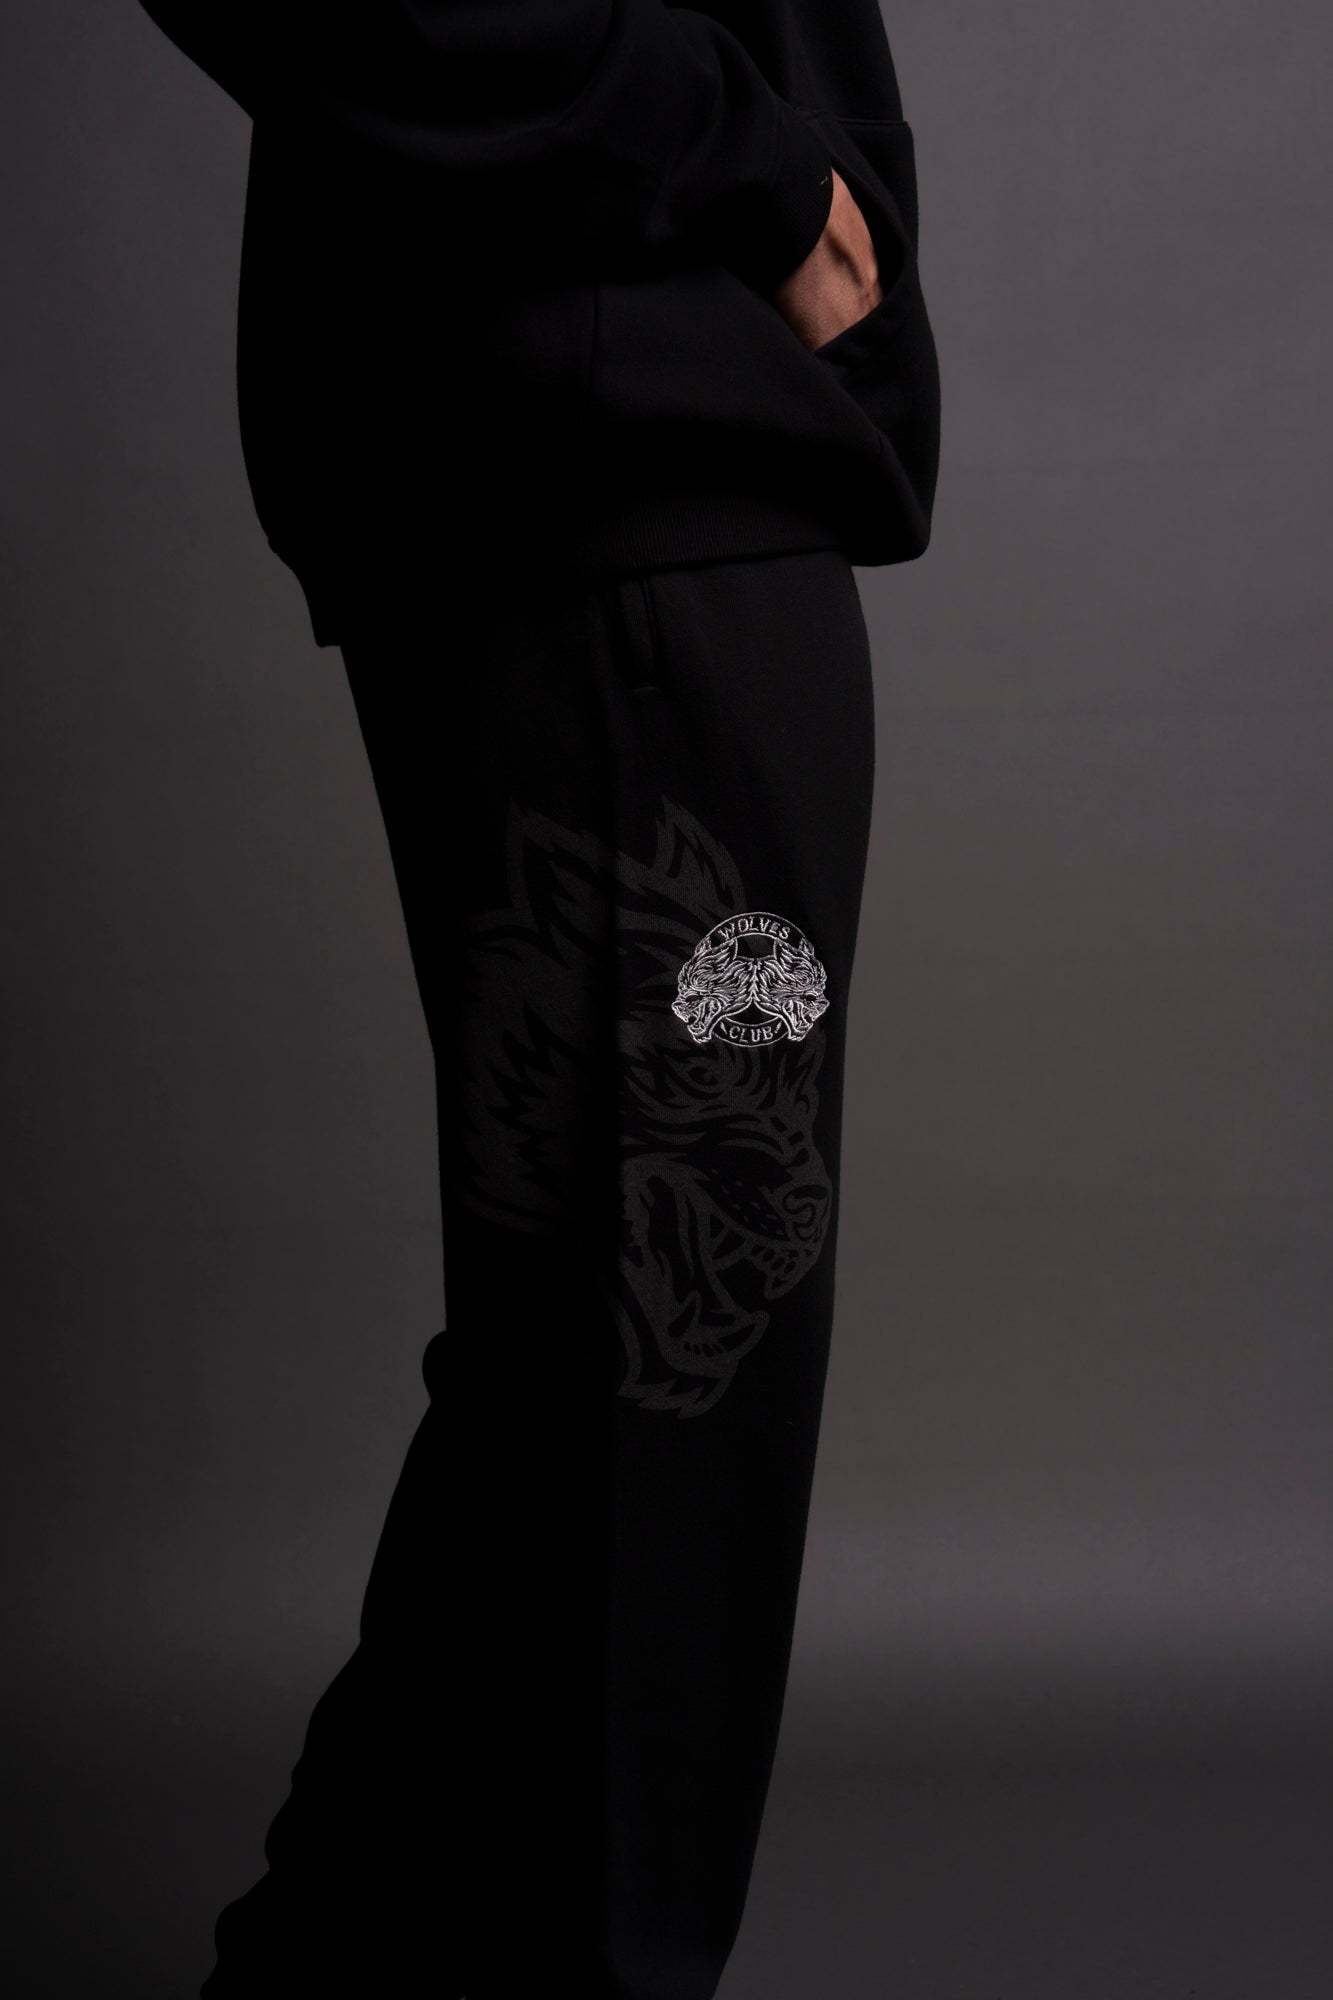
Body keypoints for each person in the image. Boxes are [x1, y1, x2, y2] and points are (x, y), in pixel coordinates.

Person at [133, 5, 941, 1995]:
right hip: (615, 479)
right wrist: (745, 157)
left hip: (639, 479)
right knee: (657, 1366)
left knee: (599, 1366)